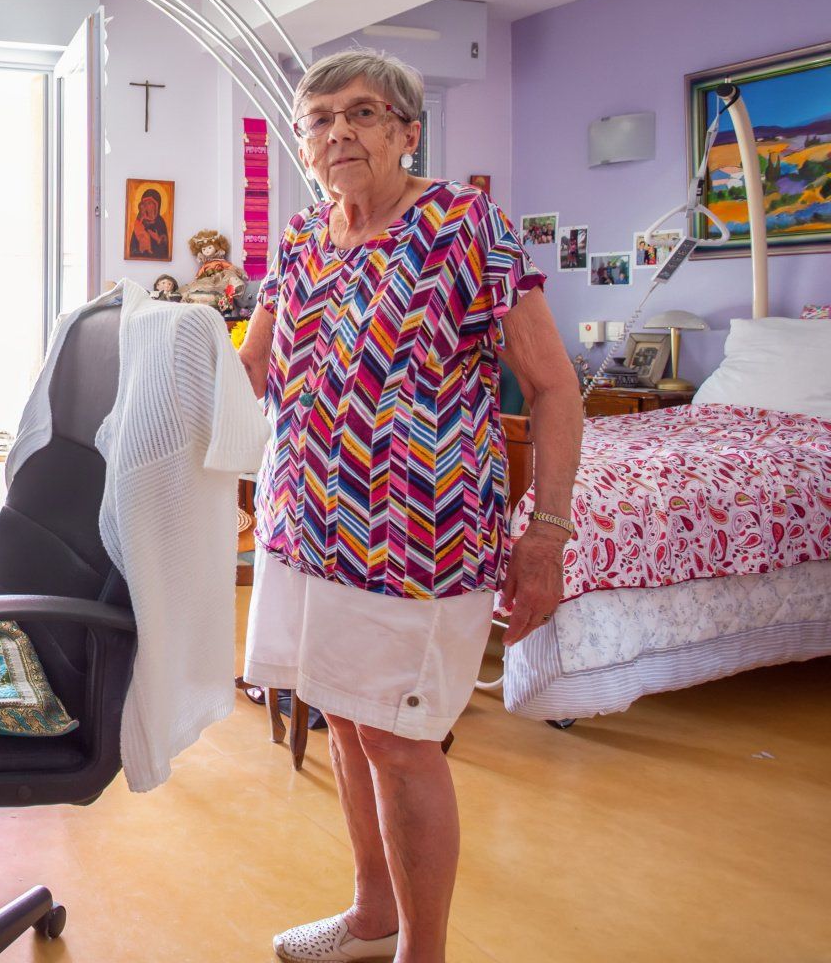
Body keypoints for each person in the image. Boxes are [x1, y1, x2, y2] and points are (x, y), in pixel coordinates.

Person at [237, 51, 583, 963]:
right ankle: (369, 915)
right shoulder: (303, 240)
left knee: (399, 740)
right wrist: (150, 356)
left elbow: (554, 388)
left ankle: (420, 953)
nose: (338, 131)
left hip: (418, 541)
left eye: (362, 113)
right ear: (303, 144)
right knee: (344, 721)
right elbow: (248, 377)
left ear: (405, 132)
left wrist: (544, 535)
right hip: (306, 529)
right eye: (319, 119)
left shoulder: (466, 225)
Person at [128, 187, 169, 258]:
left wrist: (158, 239)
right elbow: (133, 247)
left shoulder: (160, 222)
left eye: (150, 203)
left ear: (156, 206)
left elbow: (165, 250)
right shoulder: (140, 221)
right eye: (145, 204)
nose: (147, 206)